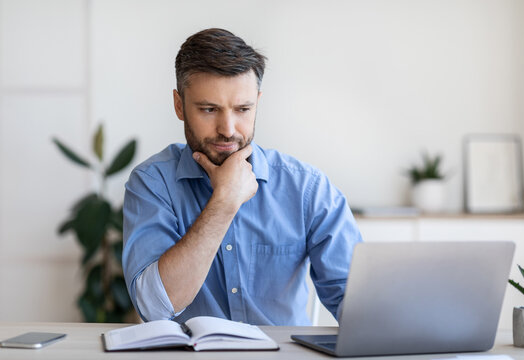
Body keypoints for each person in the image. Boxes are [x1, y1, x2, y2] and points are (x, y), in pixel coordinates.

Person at [122, 28, 362, 326]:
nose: (228, 128)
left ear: (257, 103)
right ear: (179, 105)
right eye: (209, 109)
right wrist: (224, 202)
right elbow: (154, 307)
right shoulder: (152, 183)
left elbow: (359, 308)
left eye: (243, 109)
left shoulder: (307, 189)